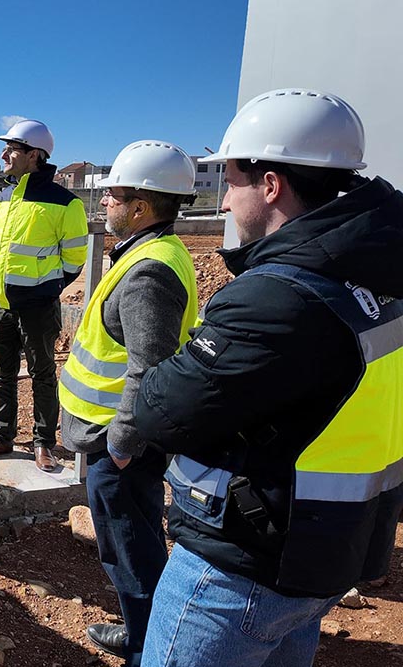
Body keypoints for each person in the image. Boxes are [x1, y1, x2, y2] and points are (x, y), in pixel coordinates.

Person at [135, 89, 403, 666]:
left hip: (244, 562)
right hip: (332, 546)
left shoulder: (278, 296)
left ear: (272, 185)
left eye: (230, 181)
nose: (225, 202)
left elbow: (161, 409)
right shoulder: (382, 273)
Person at [58, 141, 199, 666]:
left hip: (118, 443)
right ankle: (142, 630)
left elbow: (150, 367)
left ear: (140, 206)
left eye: (112, 196)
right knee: (131, 541)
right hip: (113, 437)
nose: (103, 206)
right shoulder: (149, 252)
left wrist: (120, 444)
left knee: (130, 549)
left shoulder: (148, 272)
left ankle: (147, 646)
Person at [0, 119, 88, 472]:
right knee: (2, 373)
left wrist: (47, 289)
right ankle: (2, 435)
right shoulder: (4, 196)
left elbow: (74, 260)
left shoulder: (65, 203)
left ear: (34, 155)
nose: (5, 155)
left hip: (37, 306)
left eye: (13, 150)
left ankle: (43, 443)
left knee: (42, 373)